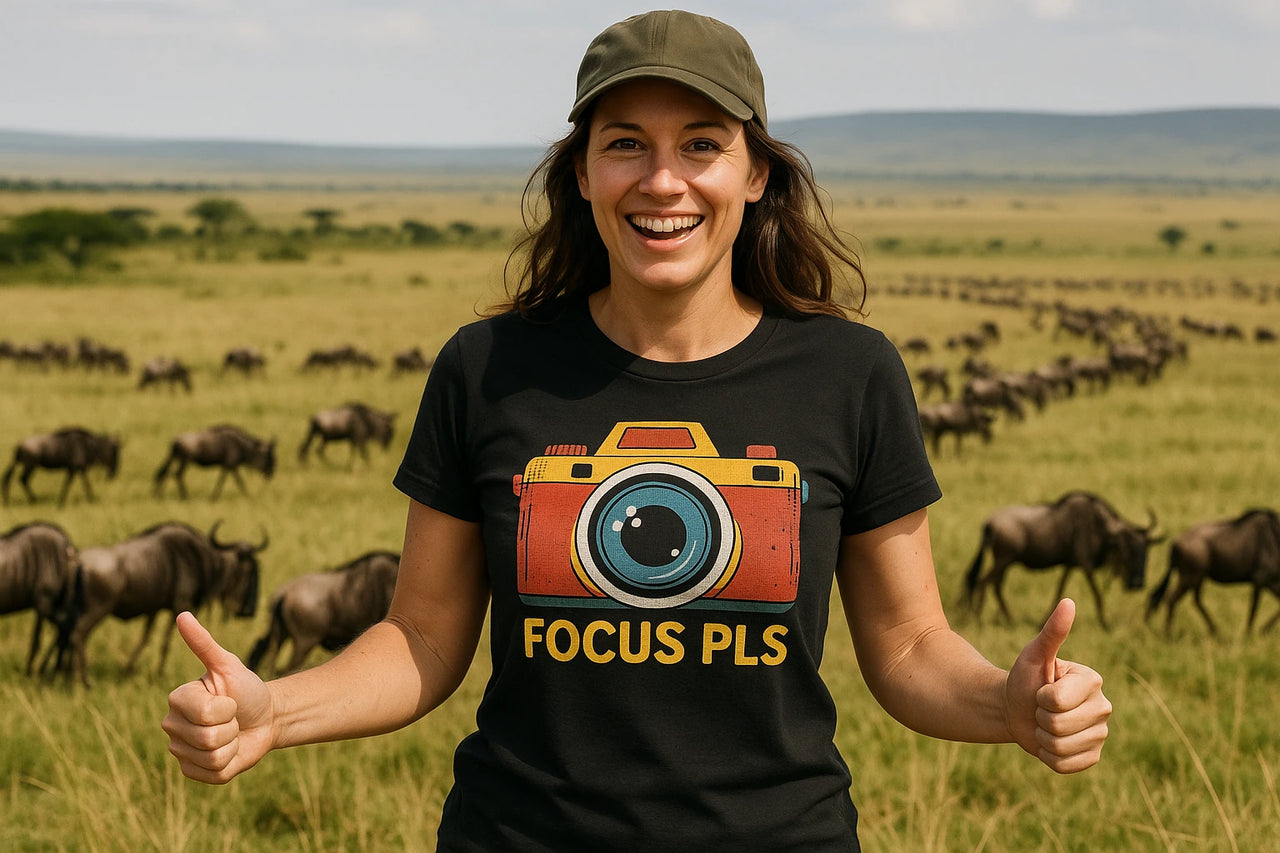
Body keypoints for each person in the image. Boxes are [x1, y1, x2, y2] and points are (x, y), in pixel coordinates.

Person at [163, 10, 1112, 851]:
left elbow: (908, 646)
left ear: (756, 174)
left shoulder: (848, 374)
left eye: (701, 144)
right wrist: (275, 711)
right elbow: (423, 633)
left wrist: (1008, 705)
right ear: (582, 172)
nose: (663, 181)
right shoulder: (488, 367)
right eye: (626, 144)